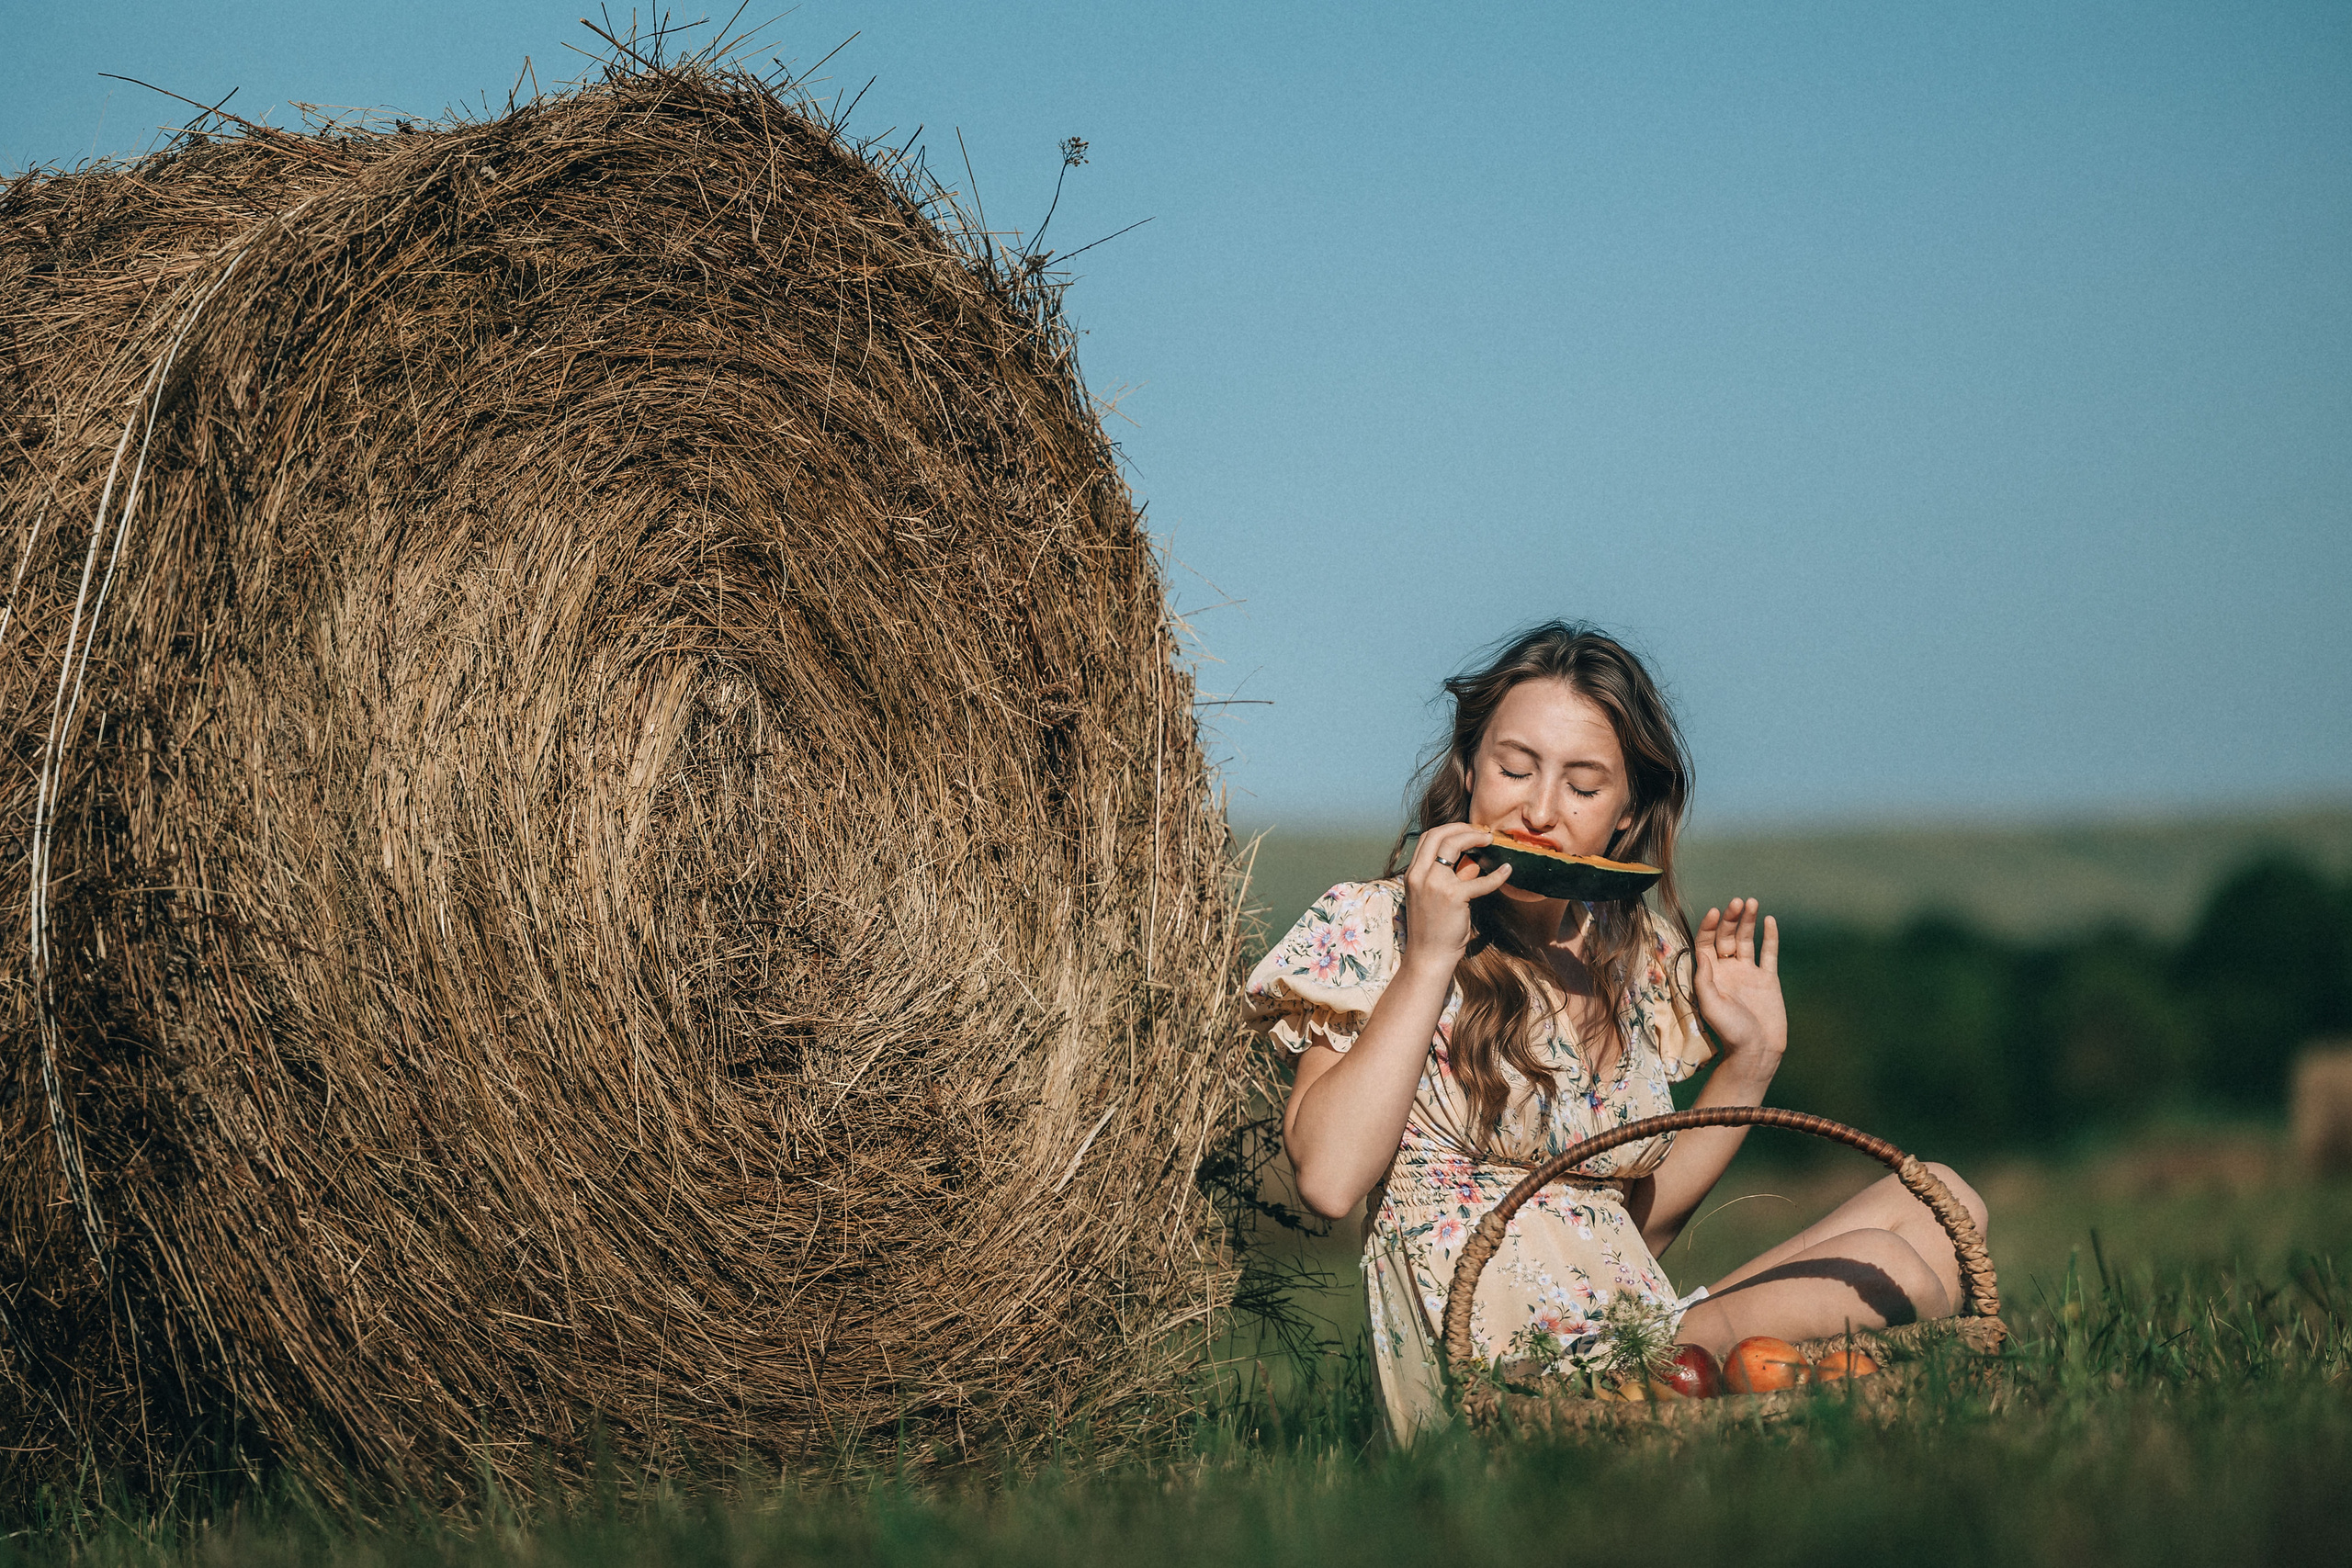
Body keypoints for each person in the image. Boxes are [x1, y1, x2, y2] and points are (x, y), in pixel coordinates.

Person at [1246, 621, 1989, 1439]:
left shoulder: (1632, 954)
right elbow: (1327, 1179)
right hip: (1506, 1376)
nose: (1538, 810)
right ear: (1468, 768)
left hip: (1634, 1341)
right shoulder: (1377, 925)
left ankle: (1722, 1424)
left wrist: (1751, 1062)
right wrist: (1427, 963)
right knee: (1890, 1271)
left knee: (1944, 1200)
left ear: (1628, 807)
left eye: (1583, 785)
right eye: (1513, 767)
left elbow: (1625, 1230)